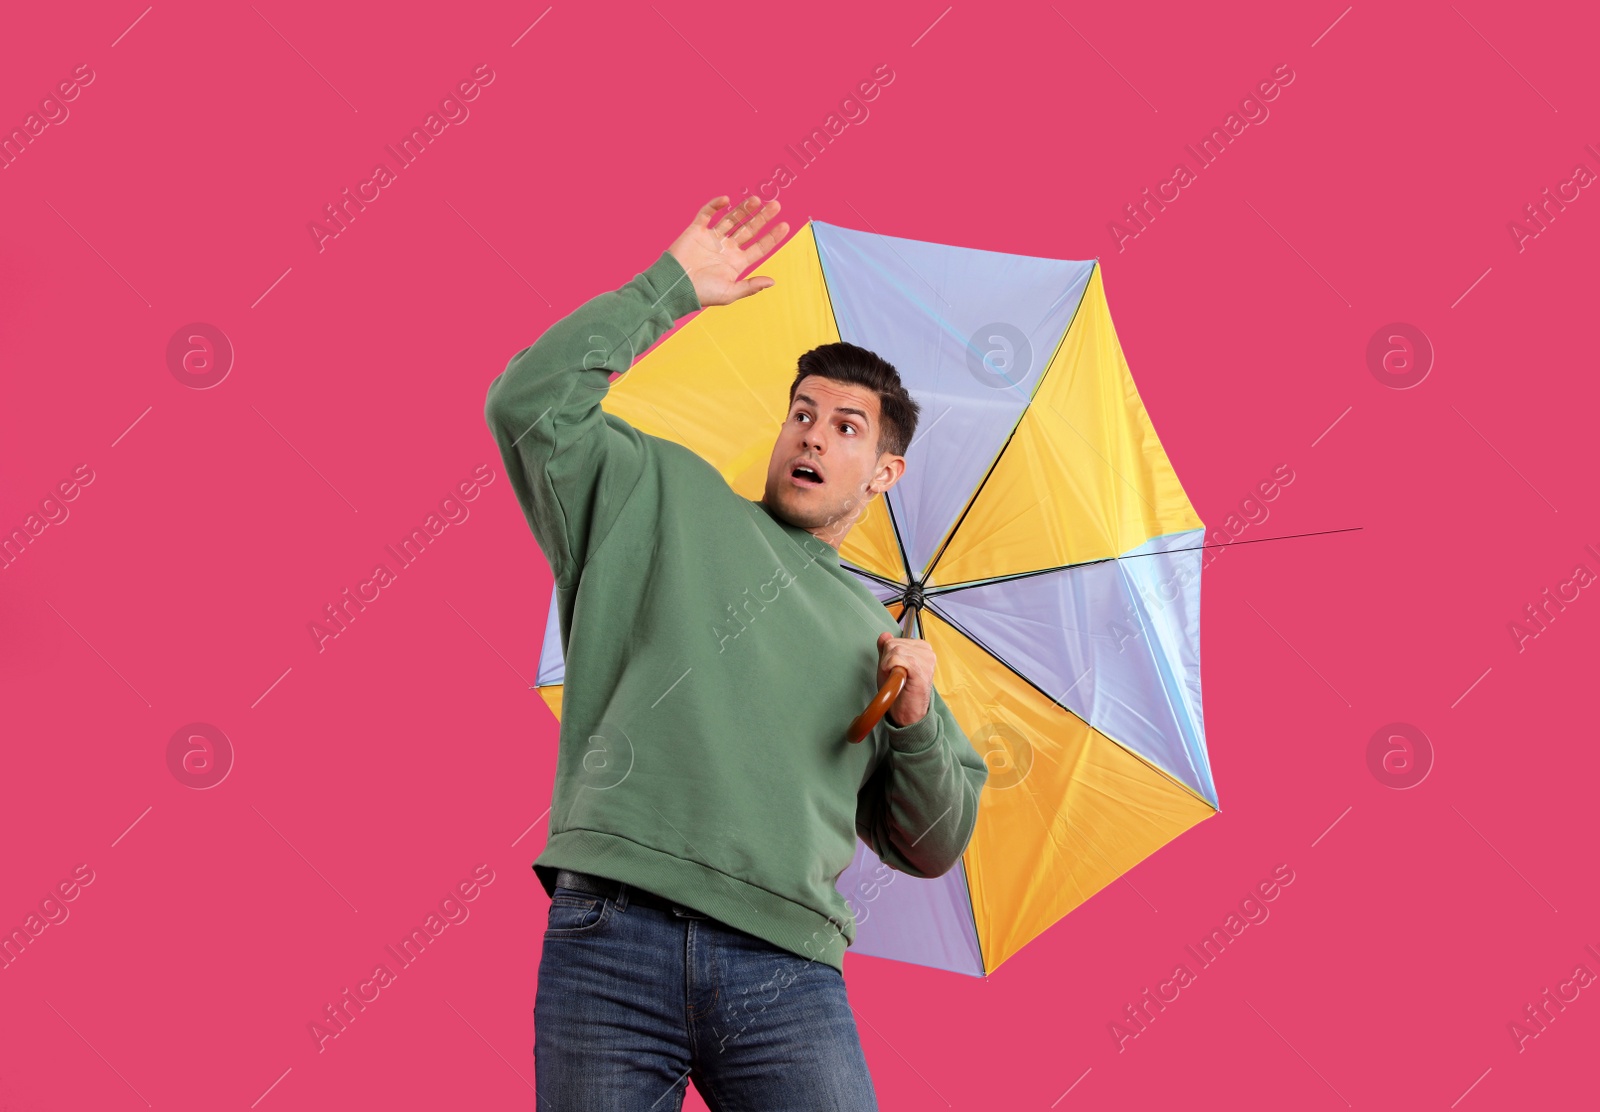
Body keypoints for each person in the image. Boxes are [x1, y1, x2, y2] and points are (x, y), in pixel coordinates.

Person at [483, 194, 989, 1111]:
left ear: (884, 473)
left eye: (846, 427)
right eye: (804, 412)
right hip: (612, 934)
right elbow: (528, 403)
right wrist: (668, 289)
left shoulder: (886, 648)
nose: (813, 435)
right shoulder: (661, 494)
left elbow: (933, 844)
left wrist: (912, 725)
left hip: (786, 970)